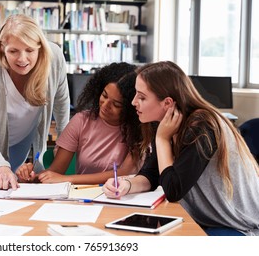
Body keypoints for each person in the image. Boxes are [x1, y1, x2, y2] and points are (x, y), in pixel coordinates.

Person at [103, 61, 259, 236]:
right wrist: (127, 184)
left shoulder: (203, 125)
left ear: (167, 103)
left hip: (241, 225)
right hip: (207, 219)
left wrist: (162, 139)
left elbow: (173, 190)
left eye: (142, 97)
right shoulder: (164, 122)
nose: (133, 102)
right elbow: (151, 174)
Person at [0, 14, 70, 189]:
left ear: (40, 48)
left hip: (24, 133)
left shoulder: (54, 59)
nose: (22, 59)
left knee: (14, 183)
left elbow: (61, 102)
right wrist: (1, 166)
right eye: (13, 51)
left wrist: (63, 140)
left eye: (30, 50)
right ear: (2, 49)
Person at [17, 62, 143, 184]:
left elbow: (124, 173)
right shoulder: (81, 121)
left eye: (116, 104)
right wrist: (29, 178)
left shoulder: (140, 129)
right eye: (104, 96)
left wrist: (67, 179)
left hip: (121, 199)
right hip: (82, 197)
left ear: (130, 106)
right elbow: (54, 172)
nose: (105, 105)